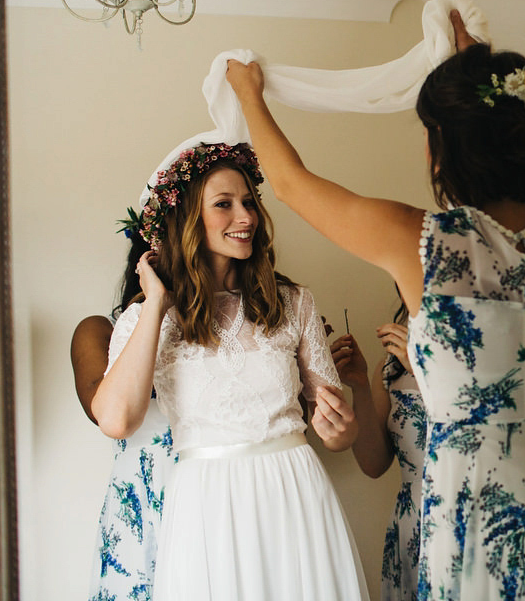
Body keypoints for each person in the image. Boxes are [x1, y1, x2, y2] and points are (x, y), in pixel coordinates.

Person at [225, 33, 525, 599]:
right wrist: (488, 76)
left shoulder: (427, 243)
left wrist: (249, 95)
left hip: (485, 510)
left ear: (443, 151)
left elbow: (292, 186)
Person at [91, 141, 369, 601]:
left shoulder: (294, 303)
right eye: (224, 204)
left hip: (295, 491)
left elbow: (337, 432)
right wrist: (157, 302)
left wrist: (341, 427)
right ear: (184, 220)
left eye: (248, 202)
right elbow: (117, 421)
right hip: (208, 504)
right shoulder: (147, 319)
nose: (246, 218)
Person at [72, 230, 176, 601]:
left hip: (211, 484)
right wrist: (155, 311)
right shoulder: (99, 330)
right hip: (140, 497)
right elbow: (104, 412)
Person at [331, 299, 427, 601]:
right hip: (414, 528)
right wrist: (358, 385)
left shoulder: (487, 355)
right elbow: (373, 464)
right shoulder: (392, 367)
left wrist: (426, 371)